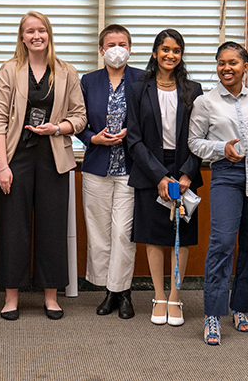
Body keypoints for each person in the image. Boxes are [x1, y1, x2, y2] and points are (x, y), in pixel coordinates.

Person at [0, 11, 86, 320]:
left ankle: (50, 296)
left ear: (49, 34)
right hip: (16, 158)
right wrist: (2, 166)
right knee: (13, 228)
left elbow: (81, 117)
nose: (36, 36)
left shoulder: (66, 72)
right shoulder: (9, 70)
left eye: (41, 30)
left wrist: (58, 128)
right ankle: (11, 296)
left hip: (53, 158)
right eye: (30, 31)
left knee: (52, 228)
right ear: (22, 37)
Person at [188, 41, 248, 345]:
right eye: (221, 62)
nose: (227, 68)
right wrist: (221, 148)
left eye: (233, 63)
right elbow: (195, 143)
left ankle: (241, 307)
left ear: (245, 66)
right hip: (226, 174)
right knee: (222, 242)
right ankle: (213, 313)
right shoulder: (205, 102)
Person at [126, 28, 203, 327]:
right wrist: (159, 174)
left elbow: (201, 136)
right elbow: (133, 138)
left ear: (181, 55)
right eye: (165, 49)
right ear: (155, 52)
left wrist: (186, 173)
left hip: (185, 167)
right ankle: (158, 296)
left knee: (180, 238)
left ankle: (175, 297)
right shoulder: (137, 88)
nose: (170, 55)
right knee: (154, 236)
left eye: (176, 50)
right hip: (149, 169)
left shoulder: (193, 90)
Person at [77, 24, 143, 319]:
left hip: (130, 168)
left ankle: (124, 292)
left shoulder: (143, 79)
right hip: (96, 166)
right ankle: (109, 291)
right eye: (111, 44)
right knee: (100, 233)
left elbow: (151, 120)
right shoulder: (88, 81)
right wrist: (93, 137)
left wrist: (131, 135)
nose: (118, 48)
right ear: (101, 49)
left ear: (130, 47)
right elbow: (76, 121)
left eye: (123, 43)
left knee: (123, 233)